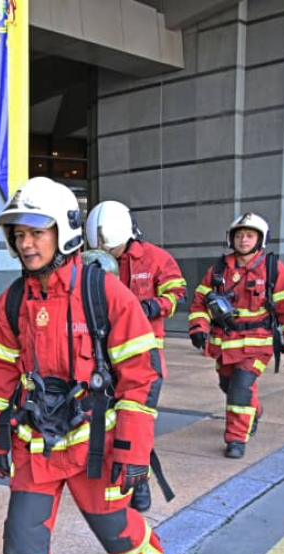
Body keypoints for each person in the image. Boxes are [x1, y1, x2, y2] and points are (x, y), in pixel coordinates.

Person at [0, 177, 165, 554]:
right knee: (22, 534)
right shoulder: (13, 300)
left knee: (116, 531)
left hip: (96, 445)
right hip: (36, 443)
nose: (25, 243)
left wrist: (131, 450)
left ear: (64, 231)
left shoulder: (105, 292)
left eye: (35, 231)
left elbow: (142, 377)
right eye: (18, 233)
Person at [85, 199, 186, 511]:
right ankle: (111, 480)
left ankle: (140, 485)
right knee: (108, 421)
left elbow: (176, 292)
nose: (109, 256)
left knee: (137, 422)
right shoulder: (89, 260)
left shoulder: (155, 258)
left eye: (113, 250)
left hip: (144, 356)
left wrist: (152, 306)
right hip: (103, 357)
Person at [188, 212, 284, 459]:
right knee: (228, 386)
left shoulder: (273, 269)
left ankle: (236, 440)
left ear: (260, 239)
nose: (243, 240)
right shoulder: (219, 269)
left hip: (256, 346)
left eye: (249, 236)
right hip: (225, 346)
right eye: (239, 235)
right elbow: (199, 303)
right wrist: (198, 329)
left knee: (240, 391)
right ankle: (254, 411)